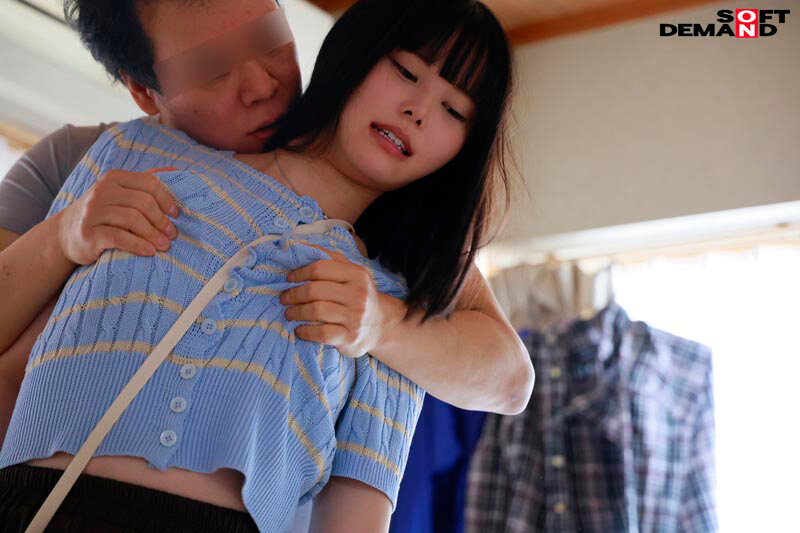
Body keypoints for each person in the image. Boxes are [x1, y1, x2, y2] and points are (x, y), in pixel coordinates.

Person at [0, 0, 526, 531]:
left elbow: (508, 380)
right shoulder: (130, 156)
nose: (418, 110)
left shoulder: (395, 298)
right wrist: (62, 234)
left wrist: (379, 325)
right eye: (406, 72)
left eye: (455, 111)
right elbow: (14, 374)